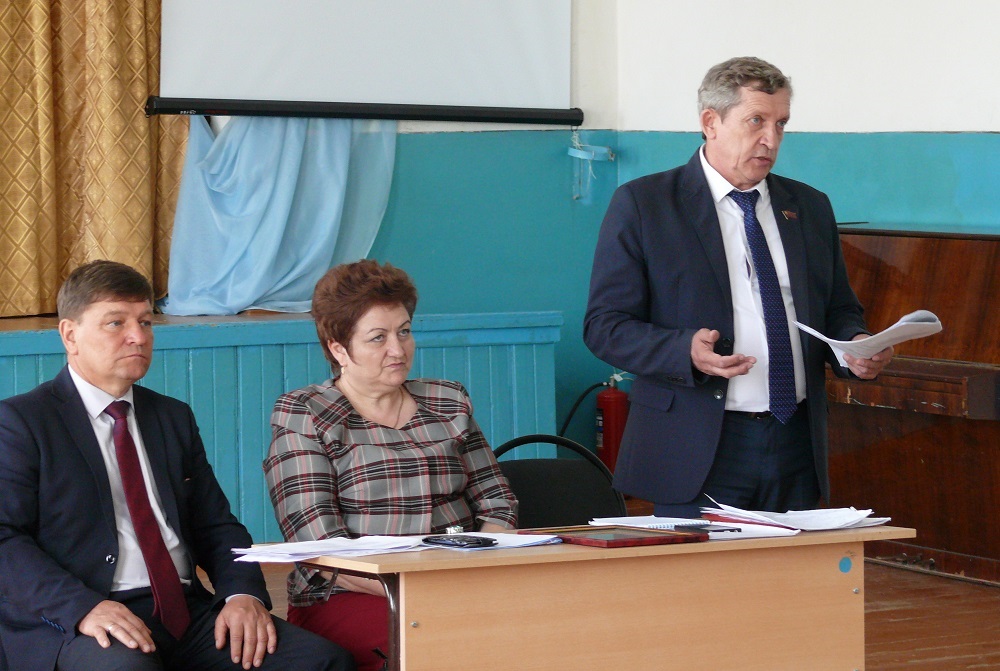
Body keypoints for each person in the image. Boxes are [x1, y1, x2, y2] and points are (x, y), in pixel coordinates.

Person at [0, 260, 355, 671]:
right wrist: (82, 608)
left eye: (145, 322)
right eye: (116, 323)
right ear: (70, 334)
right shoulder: (22, 422)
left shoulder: (171, 417)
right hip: (81, 617)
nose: (138, 336)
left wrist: (242, 594)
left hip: (184, 613)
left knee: (322, 661)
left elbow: (216, 524)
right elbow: (5, 538)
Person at [583, 57, 893, 517]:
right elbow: (605, 326)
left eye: (781, 123)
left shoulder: (808, 206)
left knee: (793, 567)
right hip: (698, 443)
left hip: (795, 442)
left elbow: (838, 309)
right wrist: (683, 350)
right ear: (711, 122)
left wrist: (856, 346)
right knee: (702, 567)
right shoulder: (646, 205)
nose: (771, 140)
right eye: (756, 121)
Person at [264, 259, 517, 671]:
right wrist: (422, 589)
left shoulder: (447, 400)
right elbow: (320, 545)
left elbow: (497, 503)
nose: (398, 350)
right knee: (447, 644)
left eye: (404, 331)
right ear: (339, 349)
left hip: (460, 581)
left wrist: (474, 573)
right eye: (378, 338)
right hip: (351, 594)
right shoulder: (306, 413)